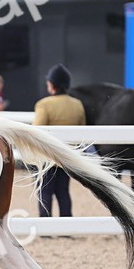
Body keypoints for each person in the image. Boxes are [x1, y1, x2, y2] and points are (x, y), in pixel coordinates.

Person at [33, 64, 86, 220]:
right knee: (63, 192)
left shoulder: (44, 104)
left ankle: (46, 224)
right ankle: (66, 223)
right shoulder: (77, 104)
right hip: (67, 156)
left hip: (47, 158)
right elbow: (82, 129)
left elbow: (37, 130)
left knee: (45, 191)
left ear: (52, 84)